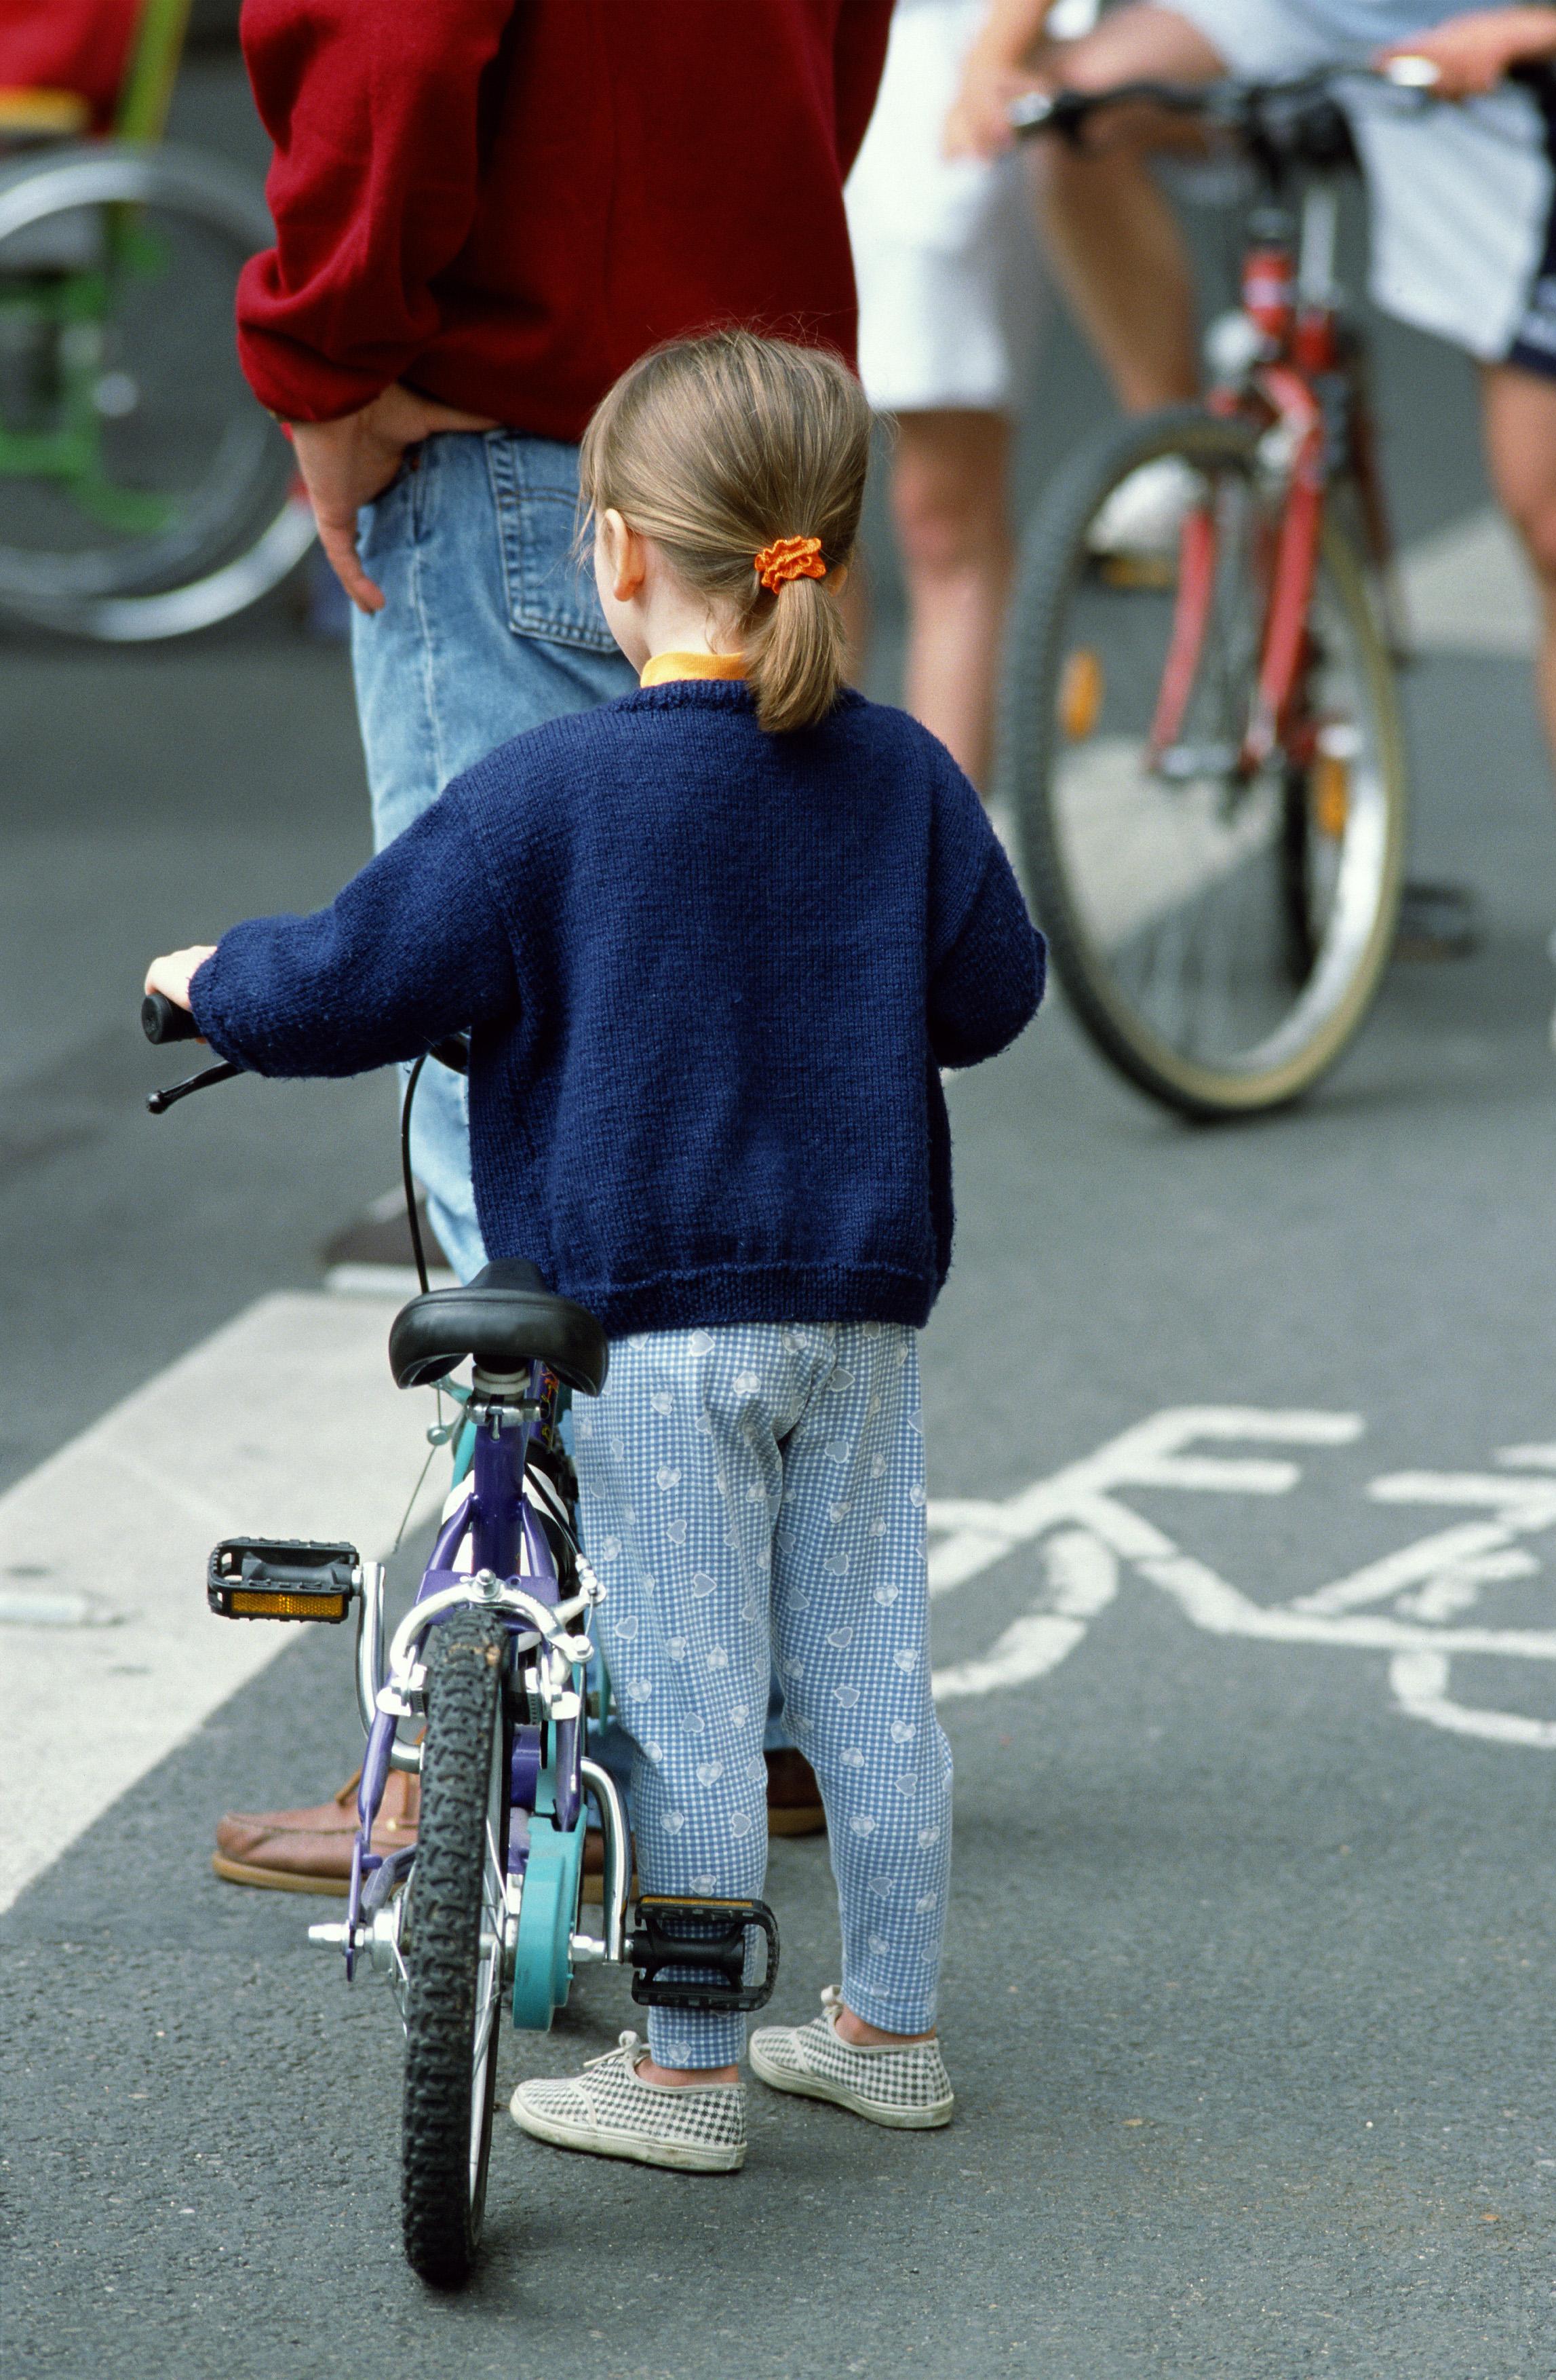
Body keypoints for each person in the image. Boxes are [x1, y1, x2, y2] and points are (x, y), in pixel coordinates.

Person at [147, 329, 1046, 2171]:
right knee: (873, 1682)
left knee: (695, 1699)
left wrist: (206, 982)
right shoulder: (902, 777)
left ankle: (695, 2062)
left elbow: (352, 977)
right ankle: (888, 2027)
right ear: (820, 547)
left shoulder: (551, 799)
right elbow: (995, 993)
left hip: (645, 1328)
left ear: (614, 553)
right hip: (858, 1309)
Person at [210, 0, 899, 1889]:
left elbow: (389, 41)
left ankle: (501, 1732)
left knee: (505, 1094)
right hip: (743, 444)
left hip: (525, 429)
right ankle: (747, 1716)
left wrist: (324, 354)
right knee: (731, 1075)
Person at [944, 0, 1556, 1062]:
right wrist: (996, 57)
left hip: (1499, 48)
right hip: (1290, 14)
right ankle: (1189, 452)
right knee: (1079, 114)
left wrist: (1539, 23)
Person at [842, 0, 1200, 787]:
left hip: (937, 55)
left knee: (940, 513)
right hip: (771, 60)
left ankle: (934, 873)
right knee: (788, 507)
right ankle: (804, 851)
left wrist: (991, 54)